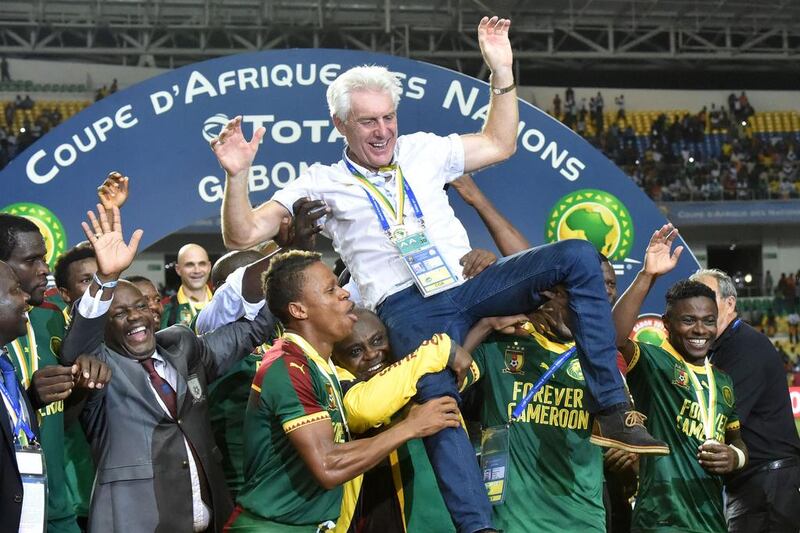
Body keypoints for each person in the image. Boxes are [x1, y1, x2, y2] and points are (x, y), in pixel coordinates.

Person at [213, 16, 665, 531]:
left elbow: (500, 142)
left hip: (469, 285)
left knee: (579, 256)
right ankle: (478, 527)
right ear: (341, 125)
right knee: (438, 401)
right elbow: (243, 233)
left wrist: (503, 72)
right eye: (367, 122)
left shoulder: (425, 149)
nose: (382, 130)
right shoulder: (323, 181)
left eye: (388, 118)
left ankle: (611, 407)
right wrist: (237, 174)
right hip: (406, 305)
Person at [61, 204, 278, 532]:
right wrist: (105, 278)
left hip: (212, 517)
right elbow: (74, 347)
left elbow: (253, 329)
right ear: (104, 328)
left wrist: (285, 257)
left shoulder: (183, 347)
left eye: (139, 307)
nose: (134, 316)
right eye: (119, 313)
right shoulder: (100, 369)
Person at [227, 250, 463, 532]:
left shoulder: (320, 365)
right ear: (299, 310)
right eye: (330, 290)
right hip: (270, 527)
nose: (344, 294)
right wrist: (410, 427)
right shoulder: (288, 367)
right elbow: (328, 466)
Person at [614, 226, 749, 532]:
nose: (700, 330)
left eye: (708, 321)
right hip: (661, 521)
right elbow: (614, 337)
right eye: (688, 320)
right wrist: (647, 275)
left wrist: (735, 457)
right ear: (667, 324)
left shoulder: (722, 382)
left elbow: (737, 439)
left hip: (711, 521)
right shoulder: (654, 364)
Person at [690, 268, 800, 532]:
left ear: (730, 303)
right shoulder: (722, 347)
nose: (700, 305)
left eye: (707, 296)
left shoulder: (744, 347)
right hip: (755, 483)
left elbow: (716, 419)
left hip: (768, 485)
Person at [0, 262, 105, 533]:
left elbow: (61, 420)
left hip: (45, 507)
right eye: (13, 290)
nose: (24, 297)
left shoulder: (6, 369)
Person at [162, 243, 213, 328]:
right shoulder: (166, 307)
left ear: (209, 267)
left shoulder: (224, 302)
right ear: (178, 269)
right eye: (190, 265)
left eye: (202, 264)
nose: (197, 270)